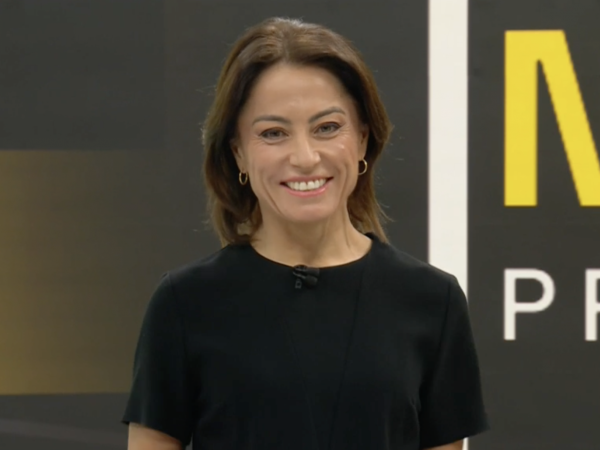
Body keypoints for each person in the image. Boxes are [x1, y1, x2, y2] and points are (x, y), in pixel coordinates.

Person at [122, 17, 489, 450]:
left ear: (363, 140)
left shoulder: (433, 301)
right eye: (273, 133)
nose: (305, 157)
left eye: (327, 128)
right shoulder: (184, 303)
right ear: (238, 153)